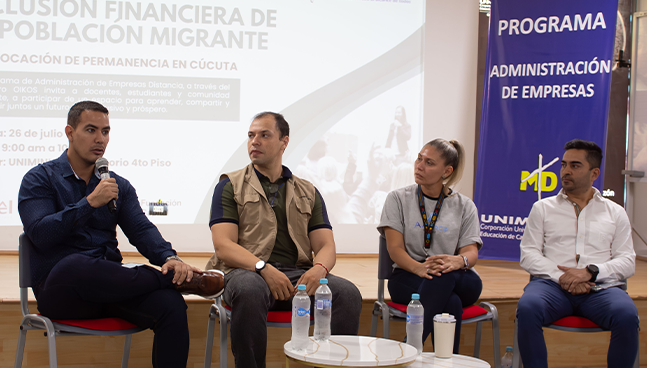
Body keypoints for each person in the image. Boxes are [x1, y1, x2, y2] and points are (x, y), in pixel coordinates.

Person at [18, 101, 224, 368]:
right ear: (69, 132)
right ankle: (171, 280)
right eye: (91, 130)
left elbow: (141, 229)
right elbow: (40, 234)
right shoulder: (39, 178)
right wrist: (89, 203)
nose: (100, 139)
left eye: (105, 131)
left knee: (170, 304)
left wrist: (168, 257)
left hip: (111, 288)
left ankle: (170, 280)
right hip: (62, 292)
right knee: (75, 265)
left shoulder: (118, 185)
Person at [207, 111, 363, 368]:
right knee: (249, 290)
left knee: (347, 293)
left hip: (297, 275)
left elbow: (325, 245)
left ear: (284, 142)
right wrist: (263, 268)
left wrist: (319, 270)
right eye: (250, 135)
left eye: (264, 135)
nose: (254, 141)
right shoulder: (229, 185)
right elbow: (223, 246)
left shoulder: (308, 191)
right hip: (246, 272)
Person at [517, 139, 638, 368]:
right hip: (551, 286)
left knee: (627, 314)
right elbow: (529, 255)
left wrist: (591, 273)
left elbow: (627, 261)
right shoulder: (542, 208)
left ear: (594, 173)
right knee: (528, 307)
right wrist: (563, 276)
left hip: (600, 289)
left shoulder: (615, 212)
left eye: (575, 165)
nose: (565, 171)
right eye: (563, 165)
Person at [378, 139, 482, 353]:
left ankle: (408, 351)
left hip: (454, 274)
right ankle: (446, 362)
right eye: (419, 158)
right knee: (450, 302)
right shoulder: (397, 198)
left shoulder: (465, 205)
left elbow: (471, 252)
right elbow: (395, 249)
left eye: (429, 163)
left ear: (447, 171)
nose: (419, 166)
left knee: (444, 278)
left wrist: (458, 261)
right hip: (408, 275)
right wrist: (420, 268)